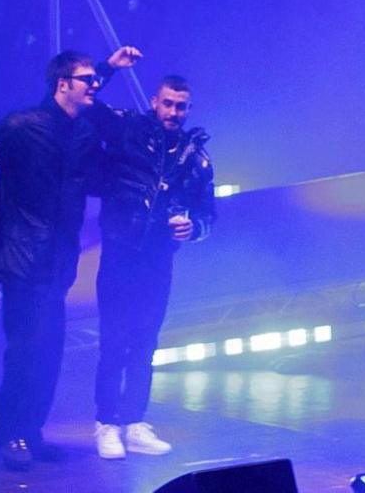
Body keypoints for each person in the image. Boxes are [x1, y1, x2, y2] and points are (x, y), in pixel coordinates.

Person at [0, 47, 138, 467]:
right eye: (85, 80)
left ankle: (32, 431)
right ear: (61, 85)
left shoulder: (84, 132)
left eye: (94, 79)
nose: (94, 86)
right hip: (20, 257)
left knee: (50, 350)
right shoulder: (21, 126)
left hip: (58, 260)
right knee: (24, 349)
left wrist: (108, 70)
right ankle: (11, 434)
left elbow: (111, 160)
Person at [88, 75, 214, 461]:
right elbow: (90, 106)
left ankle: (134, 421)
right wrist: (109, 67)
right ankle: (106, 422)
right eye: (167, 104)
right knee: (114, 340)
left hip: (158, 260)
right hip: (121, 253)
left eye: (181, 106)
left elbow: (209, 213)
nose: (173, 113)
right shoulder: (129, 132)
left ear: (188, 109)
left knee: (146, 342)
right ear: (155, 102)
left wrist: (194, 228)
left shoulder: (196, 158)